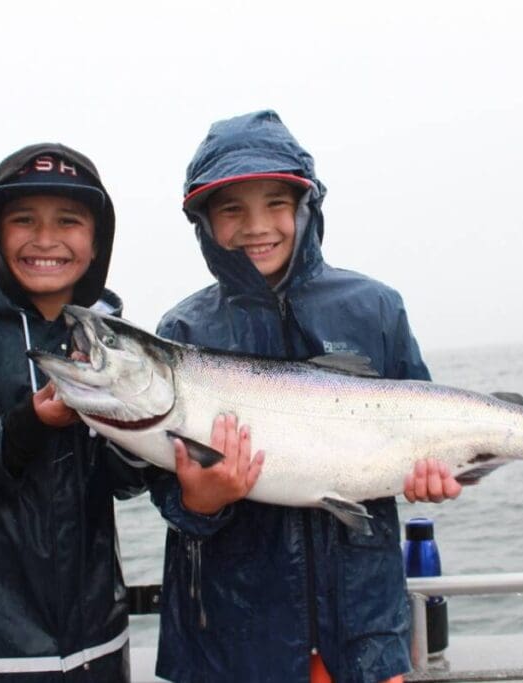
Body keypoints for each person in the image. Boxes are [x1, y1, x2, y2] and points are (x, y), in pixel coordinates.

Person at [0, 143, 263, 682]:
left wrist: (153, 453)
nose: (46, 239)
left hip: (96, 644)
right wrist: (23, 428)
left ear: (97, 238)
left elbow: (122, 481)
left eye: (69, 221)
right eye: (23, 220)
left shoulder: (113, 346)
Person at [149, 110, 462, 683]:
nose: (256, 225)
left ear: (307, 206)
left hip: (364, 632)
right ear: (203, 222)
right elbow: (162, 489)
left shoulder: (375, 307)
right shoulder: (183, 332)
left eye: (275, 202)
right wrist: (199, 502)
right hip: (231, 639)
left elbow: (426, 427)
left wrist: (438, 477)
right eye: (231, 209)